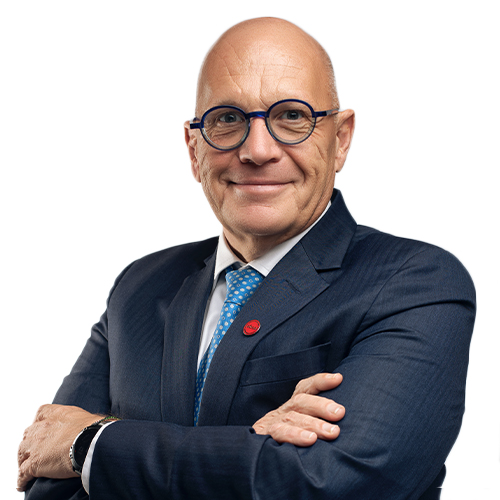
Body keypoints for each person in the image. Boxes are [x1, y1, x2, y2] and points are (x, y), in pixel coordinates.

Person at [17, 17, 475, 500]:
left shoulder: (415, 283)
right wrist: (252, 447)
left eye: (292, 116)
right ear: (193, 148)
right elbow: (46, 478)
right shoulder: (141, 286)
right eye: (227, 119)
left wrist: (92, 444)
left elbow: (327, 484)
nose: (257, 150)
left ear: (340, 139)